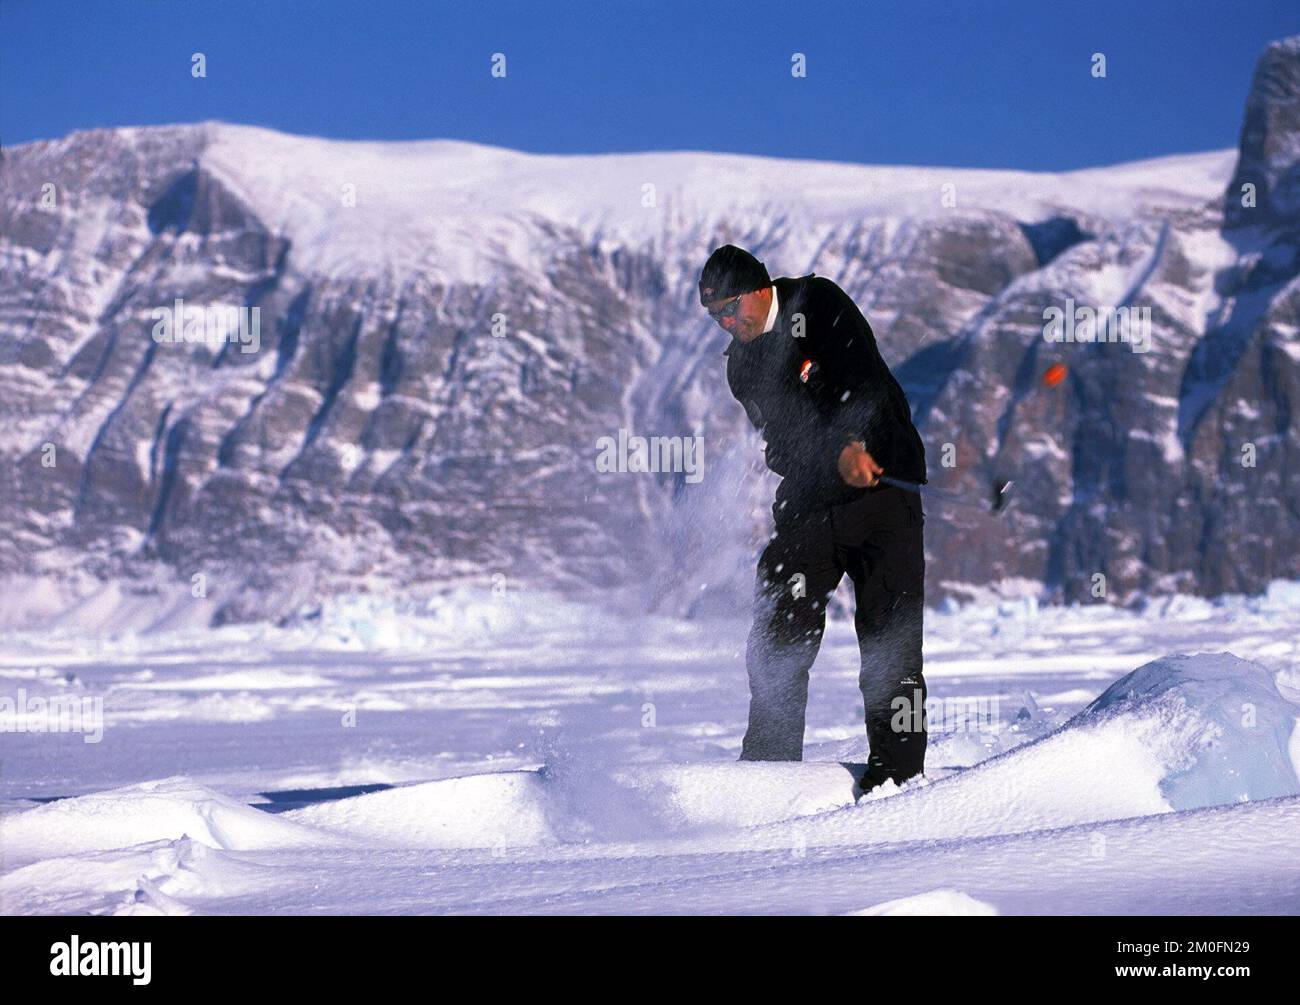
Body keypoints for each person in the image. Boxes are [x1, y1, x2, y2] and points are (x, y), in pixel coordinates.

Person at [700, 244, 928, 793]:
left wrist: (856, 443)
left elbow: (862, 378)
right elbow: (781, 437)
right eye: (716, 317)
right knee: (779, 620)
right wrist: (826, 459)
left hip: (883, 495)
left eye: (732, 309)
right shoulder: (741, 363)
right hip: (811, 501)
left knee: (889, 639)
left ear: (760, 289)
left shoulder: (817, 302)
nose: (728, 324)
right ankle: (770, 769)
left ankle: (899, 778)